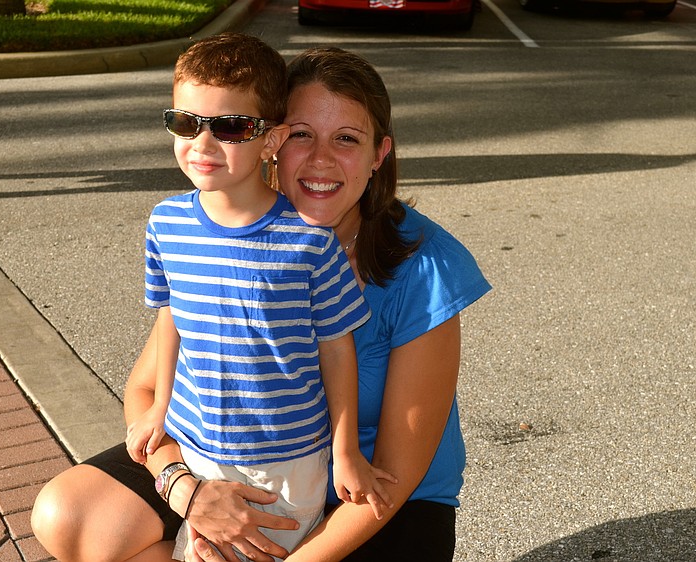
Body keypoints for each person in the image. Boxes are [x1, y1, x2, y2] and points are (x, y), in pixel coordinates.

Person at [31, 45, 491, 562]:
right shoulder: (230, 237)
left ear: (379, 153)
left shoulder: (426, 264)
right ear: (271, 141)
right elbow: (145, 389)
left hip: (369, 491)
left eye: (346, 139)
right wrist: (186, 490)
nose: (320, 159)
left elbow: (398, 473)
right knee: (70, 514)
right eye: (301, 135)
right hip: (223, 465)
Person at [105, 32, 393, 561]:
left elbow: (336, 349)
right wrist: (160, 408)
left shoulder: (308, 242)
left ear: (271, 140)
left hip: (284, 462)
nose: (202, 144)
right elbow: (172, 318)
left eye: (231, 127)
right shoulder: (167, 224)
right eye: (186, 122)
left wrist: (345, 449)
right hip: (195, 446)